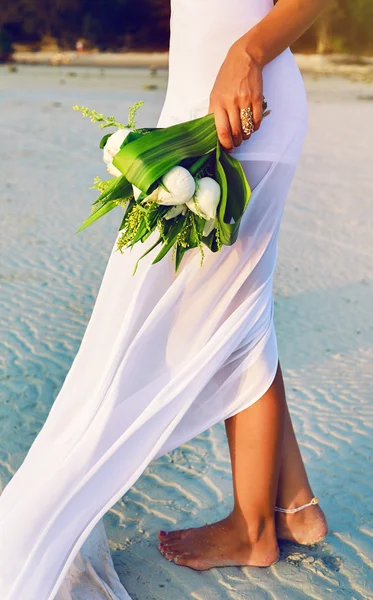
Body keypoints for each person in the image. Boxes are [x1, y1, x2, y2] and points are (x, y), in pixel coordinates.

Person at [0, 0, 329, 598]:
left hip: (242, 109)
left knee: (154, 330)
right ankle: (291, 504)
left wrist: (247, 52)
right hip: (210, 110)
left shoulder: (246, 65)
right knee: (239, 309)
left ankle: (256, 528)